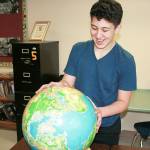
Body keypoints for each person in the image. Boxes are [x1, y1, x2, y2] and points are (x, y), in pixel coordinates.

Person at [37, 0, 137, 147]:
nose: (98, 35)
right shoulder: (78, 50)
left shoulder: (126, 60)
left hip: (106, 127)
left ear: (117, 28)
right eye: (94, 28)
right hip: (76, 122)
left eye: (105, 30)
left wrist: (96, 112)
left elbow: (123, 103)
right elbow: (67, 83)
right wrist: (58, 86)